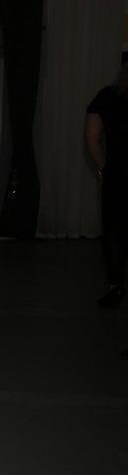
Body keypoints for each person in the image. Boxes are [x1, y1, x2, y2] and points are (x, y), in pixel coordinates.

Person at [86, 62, 128, 308]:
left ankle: (116, 285)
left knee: (114, 230)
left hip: (118, 173)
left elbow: (91, 138)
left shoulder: (106, 96)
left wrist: (104, 168)